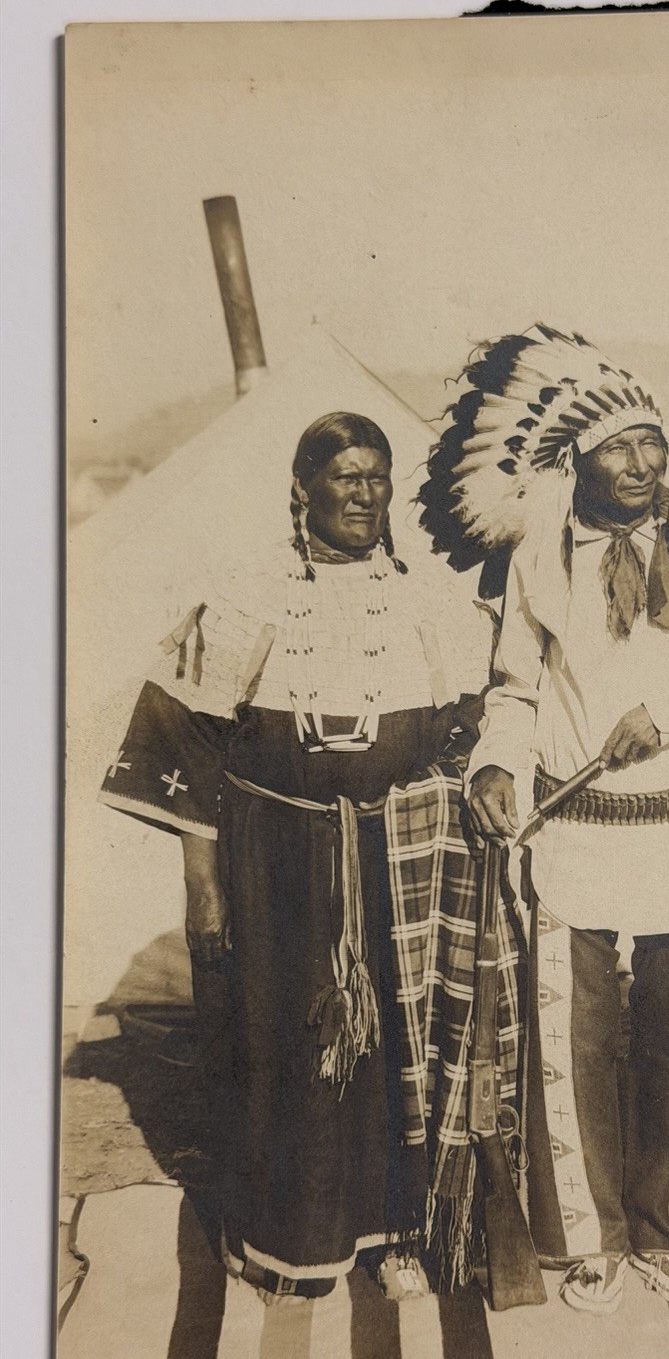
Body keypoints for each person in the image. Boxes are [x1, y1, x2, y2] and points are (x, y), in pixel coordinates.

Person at [420, 325, 669, 1315]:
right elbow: (512, 688)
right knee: (580, 1040)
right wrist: (500, 766)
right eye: (617, 449)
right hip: (576, 837)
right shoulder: (538, 563)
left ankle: (665, 1229)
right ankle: (591, 1240)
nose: (639, 464)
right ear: (577, 463)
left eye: (650, 444)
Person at [100, 412, 494, 1302]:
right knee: (290, 1045)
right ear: (303, 487)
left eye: (377, 478)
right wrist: (203, 885)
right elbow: (187, 751)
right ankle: (291, 1243)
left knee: (396, 1032)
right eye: (345, 476)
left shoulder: (427, 600)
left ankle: (395, 1233)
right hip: (274, 859)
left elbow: (467, 731)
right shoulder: (244, 597)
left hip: (397, 856)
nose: (363, 494)